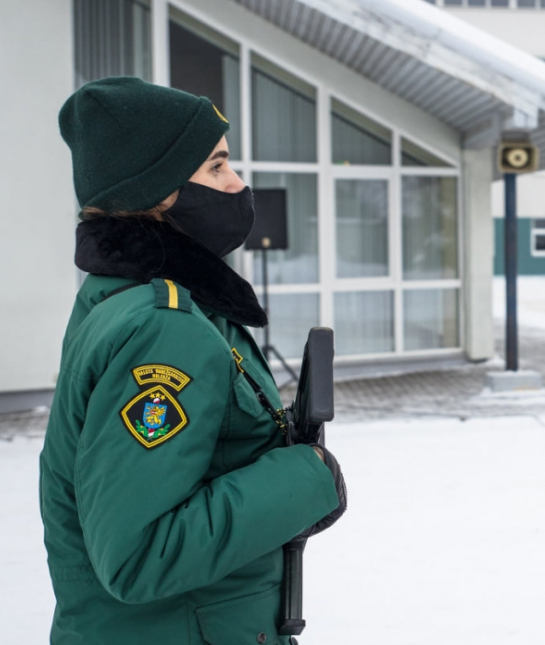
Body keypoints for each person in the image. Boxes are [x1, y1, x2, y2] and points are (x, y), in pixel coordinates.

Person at [40, 77, 347, 644]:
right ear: (155, 192)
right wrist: (305, 477)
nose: (237, 184)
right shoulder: (164, 328)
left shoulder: (128, 298)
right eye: (216, 167)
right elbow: (138, 555)